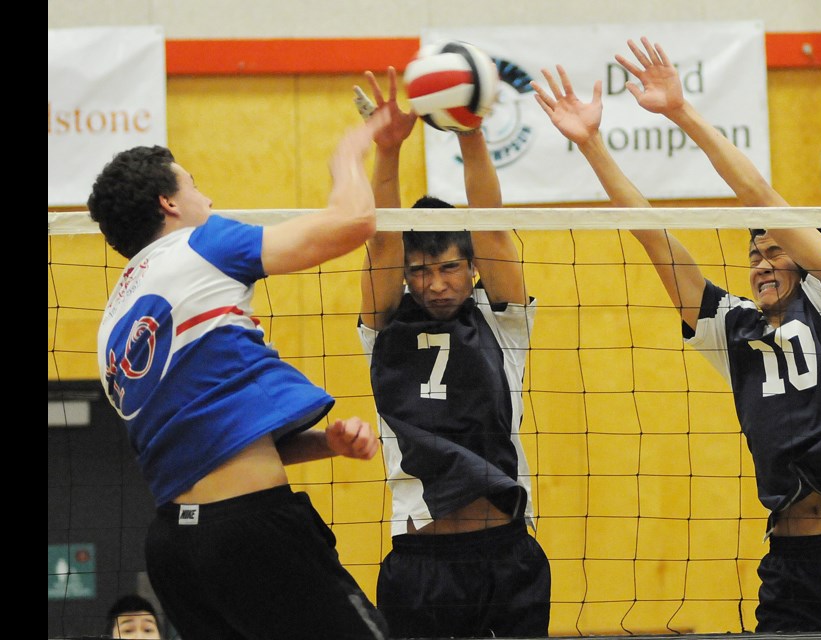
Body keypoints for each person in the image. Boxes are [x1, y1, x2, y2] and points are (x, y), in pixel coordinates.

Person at [530, 37, 821, 632]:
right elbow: (653, 237)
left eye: (775, 249)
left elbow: (759, 195)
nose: (761, 262)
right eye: (753, 252)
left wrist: (681, 113)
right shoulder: (733, 330)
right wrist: (591, 145)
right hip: (790, 562)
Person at [88, 112, 392, 640]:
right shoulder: (201, 244)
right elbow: (355, 221)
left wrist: (326, 443)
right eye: (194, 184)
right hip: (251, 532)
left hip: (175, 551)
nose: (206, 197)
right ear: (169, 203)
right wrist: (347, 154)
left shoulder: (112, 327)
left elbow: (204, 443)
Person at [353, 67, 551, 638]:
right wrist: (388, 152)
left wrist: (469, 127)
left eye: (448, 268)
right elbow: (383, 238)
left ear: (470, 269)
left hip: (506, 552)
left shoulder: (501, 320)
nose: (435, 284)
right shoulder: (384, 324)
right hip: (421, 561)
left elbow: (491, 230)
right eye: (420, 271)